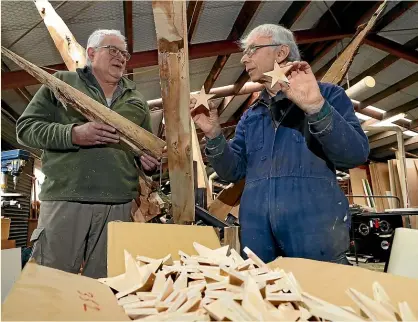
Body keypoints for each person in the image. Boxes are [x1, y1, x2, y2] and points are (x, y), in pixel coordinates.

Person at [191, 24, 369, 264]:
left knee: (317, 296)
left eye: (252, 49)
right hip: (257, 236)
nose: (244, 58)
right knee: (260, 299)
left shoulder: (328, 95)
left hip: (314, 233)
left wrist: (316, 108)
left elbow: (355, 155)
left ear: (281, 53)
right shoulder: (252, 115)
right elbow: (232, 172)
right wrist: (213, 135)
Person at [16, 29, 160, 278]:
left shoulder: (136, 99)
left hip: (118, 204)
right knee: (53, 281)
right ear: (91, 53)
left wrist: (148, 165)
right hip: (66, 198)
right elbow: (25, 128)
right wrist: (73, 134)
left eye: (124, 53)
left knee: (107, 283)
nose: (121, 57)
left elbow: (145, 149)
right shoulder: (61, 83)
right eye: (113, 50)